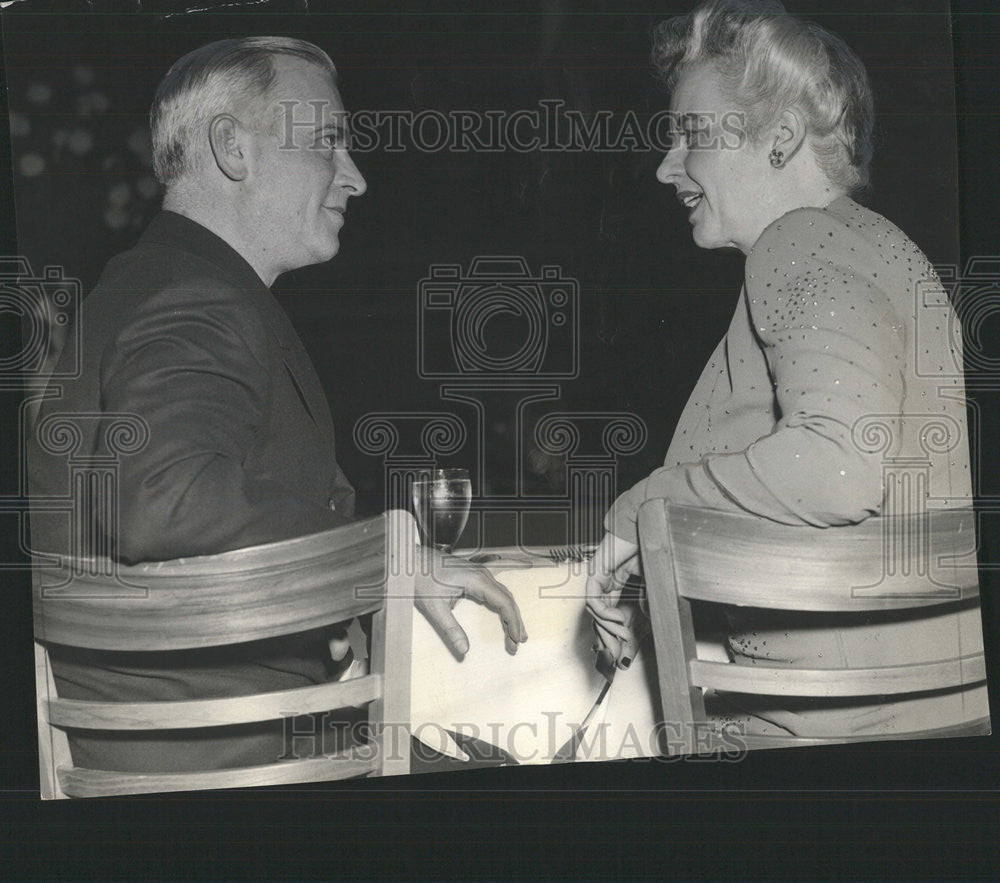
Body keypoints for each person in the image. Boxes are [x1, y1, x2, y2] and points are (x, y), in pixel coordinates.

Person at [28, 37, 526, 773]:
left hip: (175, 744)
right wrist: (389, 556)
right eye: (328, 140)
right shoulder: (193, 298)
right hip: (242, 752)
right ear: (233, 148)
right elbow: (166, 501)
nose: (354, 176)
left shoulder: (147, 284)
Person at [586, 0, 988, 739]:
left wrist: (641, 507)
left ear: (781, 137)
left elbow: (839, 466)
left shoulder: (796, 242)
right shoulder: (885, 250)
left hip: (827, 729)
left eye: (692, 134)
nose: (666, 164)